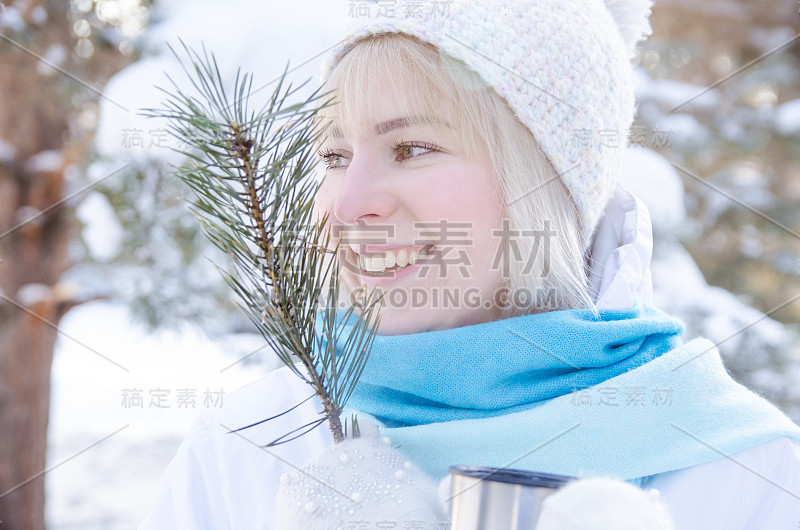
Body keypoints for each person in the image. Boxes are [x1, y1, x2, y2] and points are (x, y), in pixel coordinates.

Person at [140, 1, 800, 528]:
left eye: (413, 147)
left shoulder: (743, 465)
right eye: (334, 156)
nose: (348, 204)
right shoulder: (250, 444)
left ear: (544, 181)